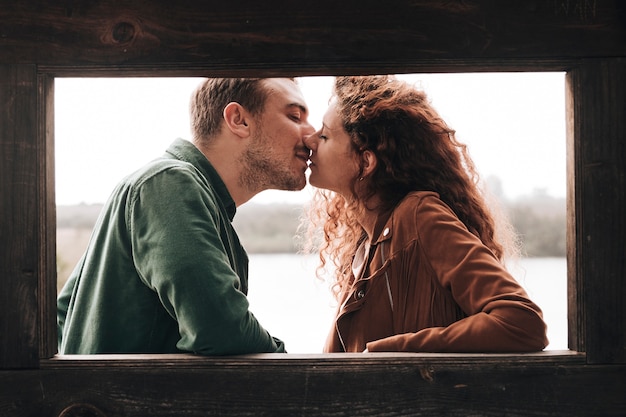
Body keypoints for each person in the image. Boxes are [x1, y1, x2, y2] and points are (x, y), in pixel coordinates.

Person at [57, 77, 314, 355]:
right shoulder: (168, 183)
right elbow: (221, 329)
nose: (311, 134)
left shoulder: (178, 190)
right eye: (295, 116)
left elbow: (62, 316)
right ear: (238, 120)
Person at [303, 75, 548, 353]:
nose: (310, 140)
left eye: (324, 135)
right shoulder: (367, 243)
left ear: (366, 161)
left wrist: (394, 352)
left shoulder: (419, 215)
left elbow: (521, 322)